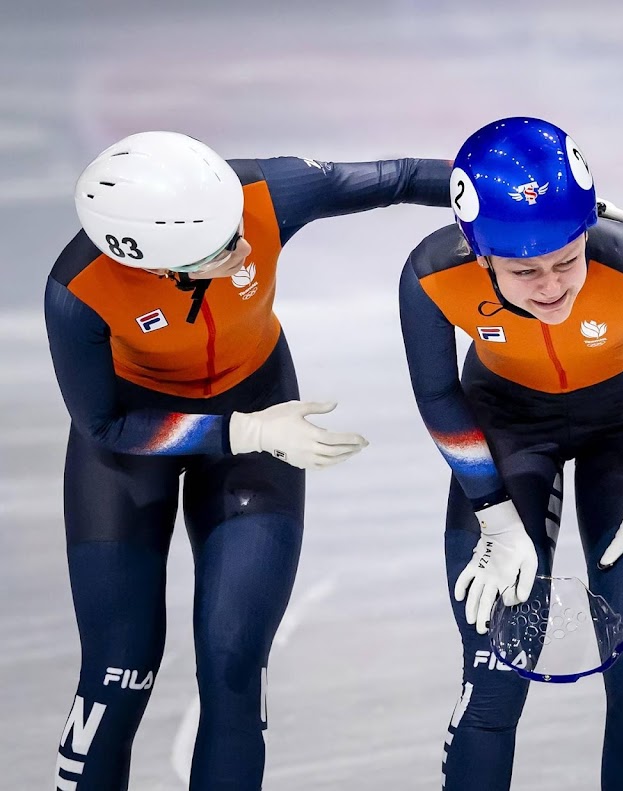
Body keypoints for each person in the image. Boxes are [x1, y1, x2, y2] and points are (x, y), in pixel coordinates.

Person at [46, 130, 450, 791]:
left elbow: (404, 174)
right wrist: (247, 431)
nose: (243, 250)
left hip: (258, 396)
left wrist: (564, 209)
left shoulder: (264, 194)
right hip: (139, 435)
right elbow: (106, 424)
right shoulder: (77, 289)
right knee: (119, 669)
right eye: (220, 250)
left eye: (236, 228)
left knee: (234, 666)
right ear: (155, 266)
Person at [398, 117, 623, 790]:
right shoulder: (432, 275)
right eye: (524, 271)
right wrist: (491, 512)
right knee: (494, 672)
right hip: (508, 422)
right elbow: (437, 395)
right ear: (480, 253)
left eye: (566, 262)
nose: (550, 286)